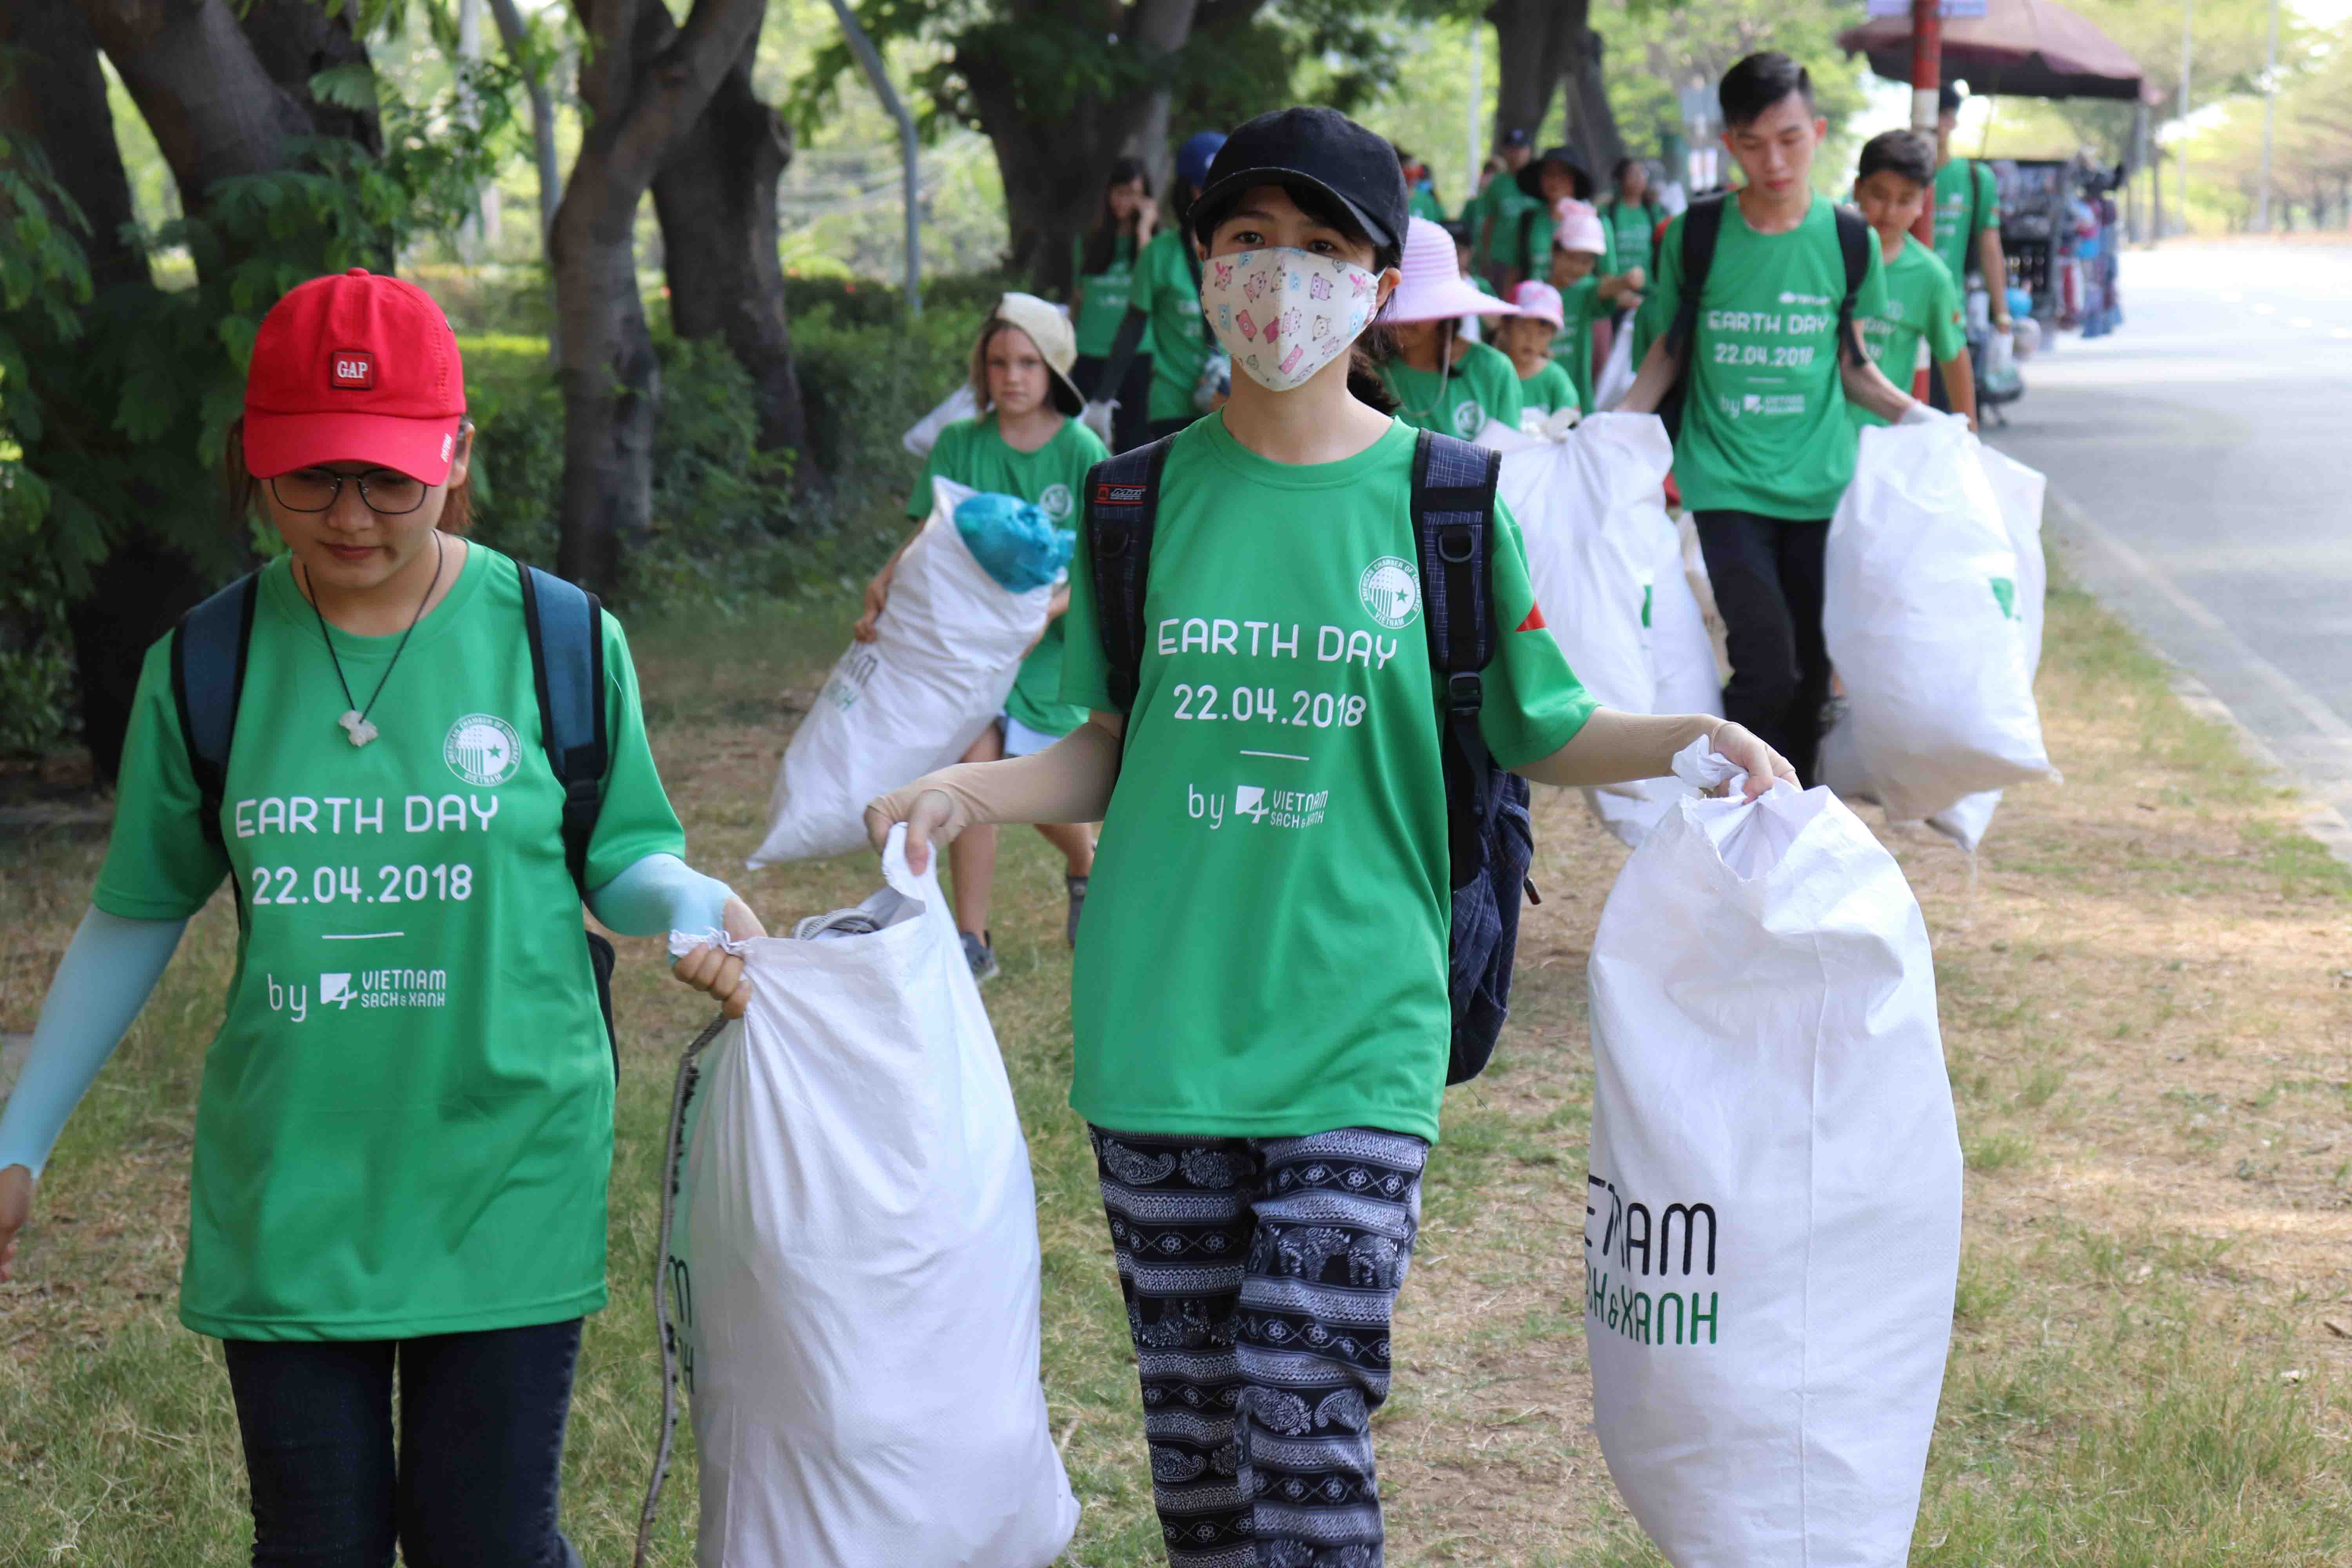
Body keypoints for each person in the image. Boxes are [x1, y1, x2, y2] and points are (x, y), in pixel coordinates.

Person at [860, 103, 1794, 1568]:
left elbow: (1538, 726)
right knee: (1198, 1449)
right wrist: (961, 791)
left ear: (1374, 283)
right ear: (1198, 266)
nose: (1278, 277)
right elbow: (1107, 744)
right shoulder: (1133, 497)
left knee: (1298, 1400)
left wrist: (1692, 737)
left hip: (1359, 1020)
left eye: (1318, 247)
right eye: (1247, 242)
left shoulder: (1446, 502)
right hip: (1156, 1028)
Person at [0, 268, 761, 1565]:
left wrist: (690, 903)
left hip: (506, 1150)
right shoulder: (204, 664)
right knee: (317, 1544)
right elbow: (136, 914)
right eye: (311, 479)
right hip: (294, 1173)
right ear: (253, 463)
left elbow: (624, 854)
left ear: (457, 453)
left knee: (489, 1543)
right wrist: (21, 1138)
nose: (350, 517)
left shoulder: (562, 639)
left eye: (389, 480)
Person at [1621, 52, 1923, 786]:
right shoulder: (1694, 236)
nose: (1775, 160)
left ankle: (1798, 823)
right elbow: (1668, 349)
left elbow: (1854, 367)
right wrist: (1609, 430)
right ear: (1729, 146)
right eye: (1753, 144)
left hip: (1821, 484)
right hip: (1723, 482)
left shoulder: (1849, 241)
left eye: (1790, 139)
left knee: (1814, 674)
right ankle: (1725, 798)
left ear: (1817, 131)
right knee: (1767, 660)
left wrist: (1927, 421)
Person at [856, 293, 1107, 978]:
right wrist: (884, 584)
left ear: (1055, 369)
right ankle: (973, 941)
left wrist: (1043, 618)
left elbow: (1098, 561)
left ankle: (1084, 861)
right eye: (998, 362)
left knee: (1044, 789)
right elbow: (927, 534)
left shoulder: (1082, 449)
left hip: (1047, 652)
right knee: (977, 765)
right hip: (968, 645)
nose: (1012, 377)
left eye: (1028, 362)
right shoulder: (960, 443)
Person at [1101, 131, 1229, 445]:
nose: (1210, 199)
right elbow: (1132, 327)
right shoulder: (1159, 254)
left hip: (1233, 398)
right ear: (1186, 192)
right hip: (1172, 404)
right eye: (1202, 188)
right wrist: (1101, 400)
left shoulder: (1250, 253)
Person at [1851, 130, 1976, 431]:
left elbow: (1954, 359)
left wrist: (1970, 440)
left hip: (1880, 443)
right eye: (1879, 195)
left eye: (1906, 200)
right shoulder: (1827, 252)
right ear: (1857, 189)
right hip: (1811, 443)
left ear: (1924, 201)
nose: (1890, 211)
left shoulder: (1931, 277)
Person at [1377, 215, 1527, 439]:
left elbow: (1511, 462)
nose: (1401, 318)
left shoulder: (1493, 372)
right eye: (1392, 303)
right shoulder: (1365, 371)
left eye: (1420, 307)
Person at [1070, 156, 1158, 454]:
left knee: (1133, 445)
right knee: (1082, 442)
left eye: (1133, 194)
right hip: (1090, 354)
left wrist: (1144, 229)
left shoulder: (1155, 244)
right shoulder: (1090, 242)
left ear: (1146, 198)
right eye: (1119, 193)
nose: (1125, 202)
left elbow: (1152, 285)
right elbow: (1078, 300)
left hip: (1136, 356)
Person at [1931, 80, 2011, 405]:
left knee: (1949, 416)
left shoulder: (1976, 179)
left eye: (1938, 115)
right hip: (1893, 322)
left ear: (1950, 119)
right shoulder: (1895, 176)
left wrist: (2002, 315)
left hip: (1950, 319)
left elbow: (1990, 249)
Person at [1546, 197, 1642, 411]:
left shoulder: (1585, 291)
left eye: (1587, 261)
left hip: (1577, 403)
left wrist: (1626, 281)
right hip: (1540, 400)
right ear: (1555, 251)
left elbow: (1604, 289)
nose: (1579, 268)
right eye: (1573, 258)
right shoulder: (1537, 293)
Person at [1504, 143, 1608, 292]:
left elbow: (1607, 276)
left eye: (1563, 174)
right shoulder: (1528, 220)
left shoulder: (1596, 221)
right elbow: (1514, 270)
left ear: (1575, 180)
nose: (1555, 180)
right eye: (1549, 174)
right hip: (1535, 307)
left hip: (1580, 309)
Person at [1501, 280, 1581, 424]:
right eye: (1523, 329)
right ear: (1507, 326)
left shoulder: (1556, 378)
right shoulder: (1494, 371)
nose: (1531, 340)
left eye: (1542, 333)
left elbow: (1572, 421)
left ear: (1553, 336)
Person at [1470, 127, 1540, 293]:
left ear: (1529, 151)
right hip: (1501, 258)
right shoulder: (1497, 184)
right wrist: (1484, 258)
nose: (1516, 154)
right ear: (1504, 152)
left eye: (1521, 149)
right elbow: (1488, 222)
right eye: (1512, 149)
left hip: (1531, 258)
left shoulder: (1538, 182)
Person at [1600, 155, 1666, 275]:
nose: (1639, 178)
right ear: (1621, 179)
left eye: (1643, 173)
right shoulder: (1608, 212)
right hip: (1617, 287)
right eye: (1632, 173)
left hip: (1650, 289)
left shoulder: (1655, 211)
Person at [1396, 145, 1448, 223]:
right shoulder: (1390, 201)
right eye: (1408, 172)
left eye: (1416, 171)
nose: (1412, 175)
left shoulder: (1428, 202)